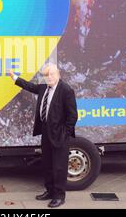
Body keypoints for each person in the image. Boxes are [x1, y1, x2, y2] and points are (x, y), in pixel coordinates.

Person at [8, 64, 78, 208]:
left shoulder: (66, 90)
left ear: (58, 74)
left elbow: (73, 115)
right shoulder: (43, 88)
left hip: (60, 134)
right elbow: (29, 86)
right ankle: (50, 191)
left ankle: (59, 196)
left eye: (52, 74)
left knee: (59, 167)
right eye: (46, 75)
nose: (49, 77)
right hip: (46, 132)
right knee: (47, 164)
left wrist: (65, 133)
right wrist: (14, 77)